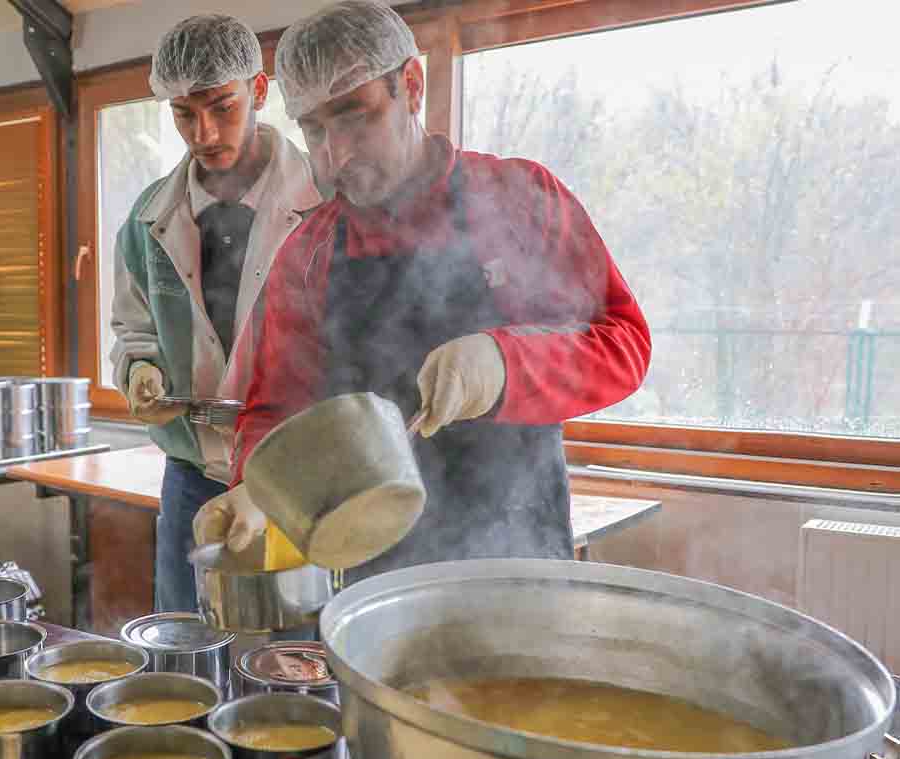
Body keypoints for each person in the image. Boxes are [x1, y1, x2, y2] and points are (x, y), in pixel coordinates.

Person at [194, 1, 652, 579]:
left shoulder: (517, 200)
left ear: (411, 86)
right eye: (313, 128)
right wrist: (256, 486)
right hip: (370, 571)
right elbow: (279, 405)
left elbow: (623, 344)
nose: (335, 154)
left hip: (519, 558)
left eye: (355, 115)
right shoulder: (307, 253)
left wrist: (504, 364)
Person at [110, 14, 320, 613]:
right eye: (183, 113)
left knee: (299, 658)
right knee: (188, 645)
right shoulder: (150, 217)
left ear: (258, 91)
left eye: (221, 107)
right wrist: (140, 369)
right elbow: (133, 326)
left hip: (298, 477)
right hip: (192, 476)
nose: (203, 132)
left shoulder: (325, 201)